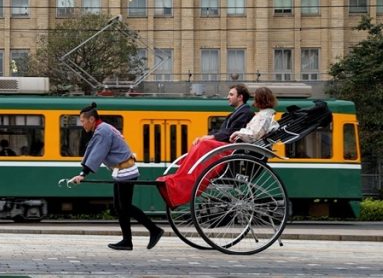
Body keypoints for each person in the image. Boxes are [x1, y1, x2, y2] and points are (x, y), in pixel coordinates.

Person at [156, 86, 279, 209]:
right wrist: (209, 136)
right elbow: (227, 131)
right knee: (201, 143)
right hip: (234, 145)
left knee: (204, 144)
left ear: (240, 97)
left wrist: (227, 135)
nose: (228, 97)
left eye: (231, 94)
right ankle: (182, 177)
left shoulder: (250, 113)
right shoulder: (251, 114)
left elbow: (242, 133)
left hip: (234, 148)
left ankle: (184, 179)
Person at [69, 102, 164, 251]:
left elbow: (97, 153)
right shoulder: (103, 128)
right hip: (122, 171)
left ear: (91, 119)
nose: (82, 125)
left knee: (124, 206)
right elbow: (93, 149)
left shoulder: (102, 131)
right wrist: (83, 172)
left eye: (83, 121)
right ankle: (127, 241)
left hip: (126, 171)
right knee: (120, 207)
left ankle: (154, 230)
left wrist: (83, 174)